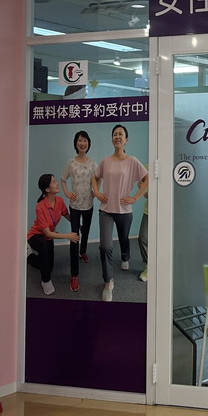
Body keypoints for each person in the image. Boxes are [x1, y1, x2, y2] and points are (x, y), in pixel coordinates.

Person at [92, 124, 148, 302]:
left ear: (126, 140)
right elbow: (95, 177)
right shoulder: (105, 161)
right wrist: (97, 192)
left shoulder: (133, 161)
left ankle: (125, 257)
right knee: (105, 246)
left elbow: (147, 178)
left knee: (124, 239)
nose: (117, 137)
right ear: (112, 139)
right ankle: (108, 282)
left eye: (120, 134)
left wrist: (135, 197)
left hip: (124, 210)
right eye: (115, 134)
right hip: (106, 210)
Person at [26, 174, 78, 297]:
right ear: (47, 189)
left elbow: (66, 215)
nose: (57, 183)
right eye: (54, 182)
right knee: (44, 249)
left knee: (48, 265)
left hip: (49, 237)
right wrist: (68, 236)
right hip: (36, 236)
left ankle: (29, 255)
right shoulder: (40, 207)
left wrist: (78, 225)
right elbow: (47, 233)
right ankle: (46, 281)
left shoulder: (59, 201)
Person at [60, 129, 96, 292]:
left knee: (85, 231)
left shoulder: (93, 163)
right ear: (76, 144)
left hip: (89, 205)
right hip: (74, 206)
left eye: (85, 140)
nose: (83, 143)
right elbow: (63, 179)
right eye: (80, 140)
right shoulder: (71, 163)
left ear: (88, 143)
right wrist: (67, 192)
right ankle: (74, 275)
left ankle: (83, 252)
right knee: (74, 237)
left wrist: (96, 191)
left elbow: (98, 179)